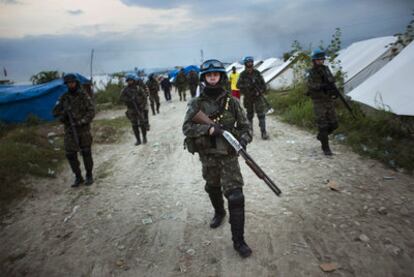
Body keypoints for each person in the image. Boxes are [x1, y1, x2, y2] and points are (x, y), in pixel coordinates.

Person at [183, 59, 253, 258]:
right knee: (212, 187)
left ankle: (239, 242)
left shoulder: (232, 102)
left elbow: (246, 127)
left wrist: (242, 141)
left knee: (236, 196)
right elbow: (186, 128)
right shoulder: (197, 104)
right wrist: (209, 128)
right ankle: (219, 212)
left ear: (221, 77)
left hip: (230, 156)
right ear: (204, 78)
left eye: (216, 74)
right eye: (209, 75)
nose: (212, 77)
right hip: (209, 157)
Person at [53, 73, 95, 187]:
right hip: (70, 130)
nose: (71, 85)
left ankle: (89, 175)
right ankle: (78, 177)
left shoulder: (83, 96)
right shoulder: (64, 97)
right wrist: (64, 114)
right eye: (68, 83)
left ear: (76, 82)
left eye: (72, 82)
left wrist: (81, 121)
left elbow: (91, 111)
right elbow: (55, 112)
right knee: (70, 154)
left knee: (86, 152)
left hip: (83, 130)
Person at [306, 49, 339, 155]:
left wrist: (333, 90)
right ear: (314, 61)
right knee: (323, 125)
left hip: (328, 100)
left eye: (322, 59)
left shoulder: (326, 69)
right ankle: (326, 148)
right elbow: (310, 85)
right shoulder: (310, 72)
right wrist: (321, 86)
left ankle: (321, 136)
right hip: (318, 101)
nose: (321, 61)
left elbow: (332, 80)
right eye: (318, 59)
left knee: (334, 124)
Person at [237, 56, 269, 140]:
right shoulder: (243, 75)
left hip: (257, 97)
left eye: (251, 62)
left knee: (261, 115)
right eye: (248, 62)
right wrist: (246, 86)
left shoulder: (257, 73)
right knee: (249, 115)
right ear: (245, 64)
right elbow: (238, 85)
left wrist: (260, 91)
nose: (250, 64)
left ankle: (263, 132)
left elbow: (263, 85)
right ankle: (250, 131)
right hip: (248, 98)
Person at [120, 74, 149, 145]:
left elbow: (145, 97)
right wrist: (129, 100)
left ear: (133, 80)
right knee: (134, 125)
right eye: (128, 81)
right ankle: (138, 140)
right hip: (131, 109)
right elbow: (121, 98)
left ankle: (144, 137)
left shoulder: (138, 88)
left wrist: (142, 105)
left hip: (139, 108)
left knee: (142, 123)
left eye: (131, 80)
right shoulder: (125, 90)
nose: (130, 82)